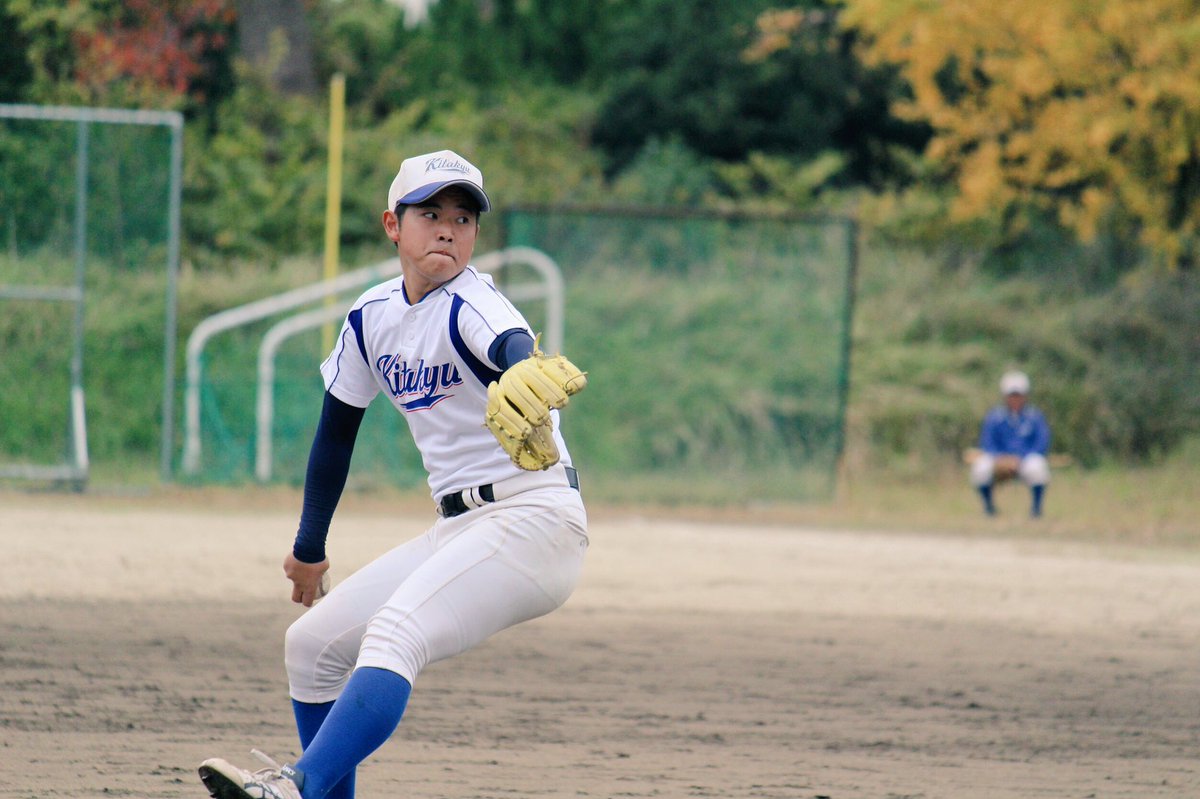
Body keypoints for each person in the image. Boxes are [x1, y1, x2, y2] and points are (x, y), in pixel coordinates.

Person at [198, 150, 590, 799]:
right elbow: (334, 436)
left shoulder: (474, 303)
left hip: (534, 521)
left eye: (463, 218)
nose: (447, 228)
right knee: (313, 645)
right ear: (392, 225)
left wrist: (522, 362)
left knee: (395, 632)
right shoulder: (371, 317)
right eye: (430, 212)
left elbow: (509, 341)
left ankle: (297, 788)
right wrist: (309, 547)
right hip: (460, 526)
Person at [969, 370, 1051, 518]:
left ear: (1025, 396)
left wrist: (1020, 458)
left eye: (1018, 395)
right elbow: (987, 442)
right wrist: (1000, 458)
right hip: (1000, 459)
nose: (1015, 399)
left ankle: (1036, 510)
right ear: (1005, 397)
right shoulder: (995, 417)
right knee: (980, 468)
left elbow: (1041, 442)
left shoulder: (1034, 417)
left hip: (1025, 459)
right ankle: (989, 509)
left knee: (1038, 466)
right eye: (1012, 396)